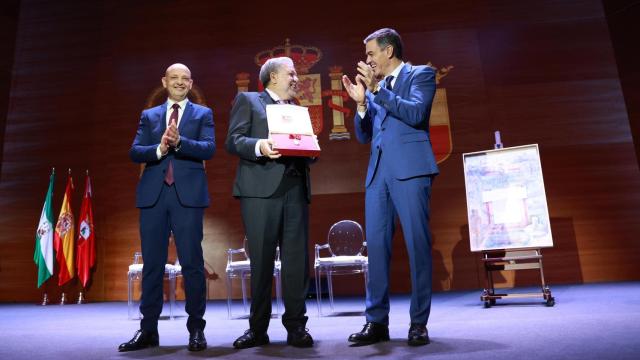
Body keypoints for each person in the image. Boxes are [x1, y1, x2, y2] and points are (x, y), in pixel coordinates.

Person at [342, 28, 439, 346]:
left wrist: (377, 89)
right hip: (377, 175)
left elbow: (415, 112)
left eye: (371, 53)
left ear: (389, 51)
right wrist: (360, 106)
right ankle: (376, 322)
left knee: (417, 247)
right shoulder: (373, 87)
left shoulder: (421, 75)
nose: (367, 60)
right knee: (378, 251)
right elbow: (364, 135)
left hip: (411, 170)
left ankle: (418, 323)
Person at [120, 63, 215, 352]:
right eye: (174, 78)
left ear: (191, 82)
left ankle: (196, 330)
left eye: (185, 78)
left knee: (192, 264)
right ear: (164, 81)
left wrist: (180, 142)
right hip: (154, 197)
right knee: (152, 266)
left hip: (188, 196)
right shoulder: (149, 116)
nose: (179, 82)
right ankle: (148, 330)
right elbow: (135, 151)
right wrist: (160, 148)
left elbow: (209, 148)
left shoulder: (203, 114)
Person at [226, 57, 314, 349]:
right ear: (273, 76)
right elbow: (233, 140)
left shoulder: (297, 108)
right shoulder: (249, 100)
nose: (296, 78)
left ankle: (297, 327)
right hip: (259, 193)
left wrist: (310, 147)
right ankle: (258, 329)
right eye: (291, 73)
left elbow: (304, 146)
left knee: (296, 263)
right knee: (262, 262)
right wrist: (259, 146)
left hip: (295, 189)